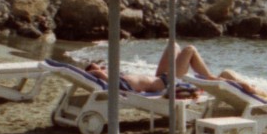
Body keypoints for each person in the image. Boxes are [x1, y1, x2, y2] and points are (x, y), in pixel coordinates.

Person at [82, 42, 213, 93]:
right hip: (167, 83)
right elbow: (99, 75)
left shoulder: (118, 78)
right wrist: (98, 73)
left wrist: (101, 70)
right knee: (190, 49)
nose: (102, 68)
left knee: (173, 45)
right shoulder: (115, 83)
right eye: (99, 68)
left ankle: (208, 76)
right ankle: (209, 78)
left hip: (159, 77)